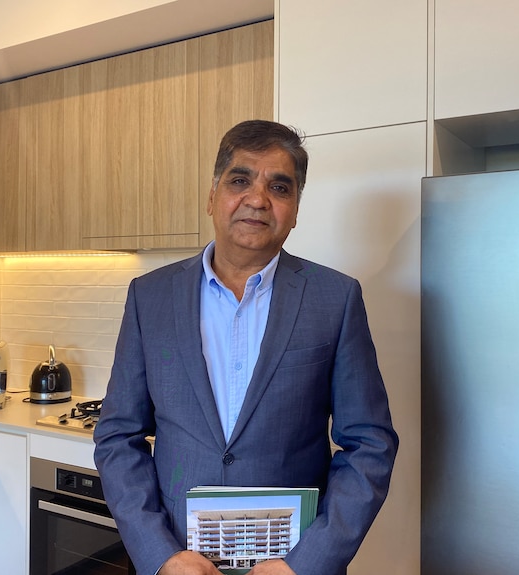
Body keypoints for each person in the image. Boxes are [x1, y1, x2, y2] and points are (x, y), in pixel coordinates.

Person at [93, 119, 398, 575]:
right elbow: (118, 436)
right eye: (240, 180)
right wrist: (159, 554)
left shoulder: (335, 298)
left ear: (294, 209)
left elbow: (370, 444)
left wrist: (308, 563)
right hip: (179, 559)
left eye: (279, 186)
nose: (257, 199)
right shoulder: (149, 296)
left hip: (291, 563)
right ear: (212, 195)